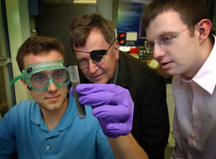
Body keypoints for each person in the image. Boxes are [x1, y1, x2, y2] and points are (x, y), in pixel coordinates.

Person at [0, 36, 149, 159]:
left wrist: (120, 134)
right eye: (39, 78)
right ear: (26, 83)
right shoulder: (17, 116)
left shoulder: (96, 116)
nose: (52, 88)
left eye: (58, 75)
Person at [70, 13, 170, 159]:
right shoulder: (77, 77)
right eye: (83, 61)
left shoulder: (149, 83)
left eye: (98, 57)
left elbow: (154, 151)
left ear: (116, 49)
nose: (91, 70)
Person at [142, 0, 216, 158]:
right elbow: (182, 148)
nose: (156, 54)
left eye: (167, 38)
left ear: (201, 31)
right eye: (152, 44)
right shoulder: (179, 77)